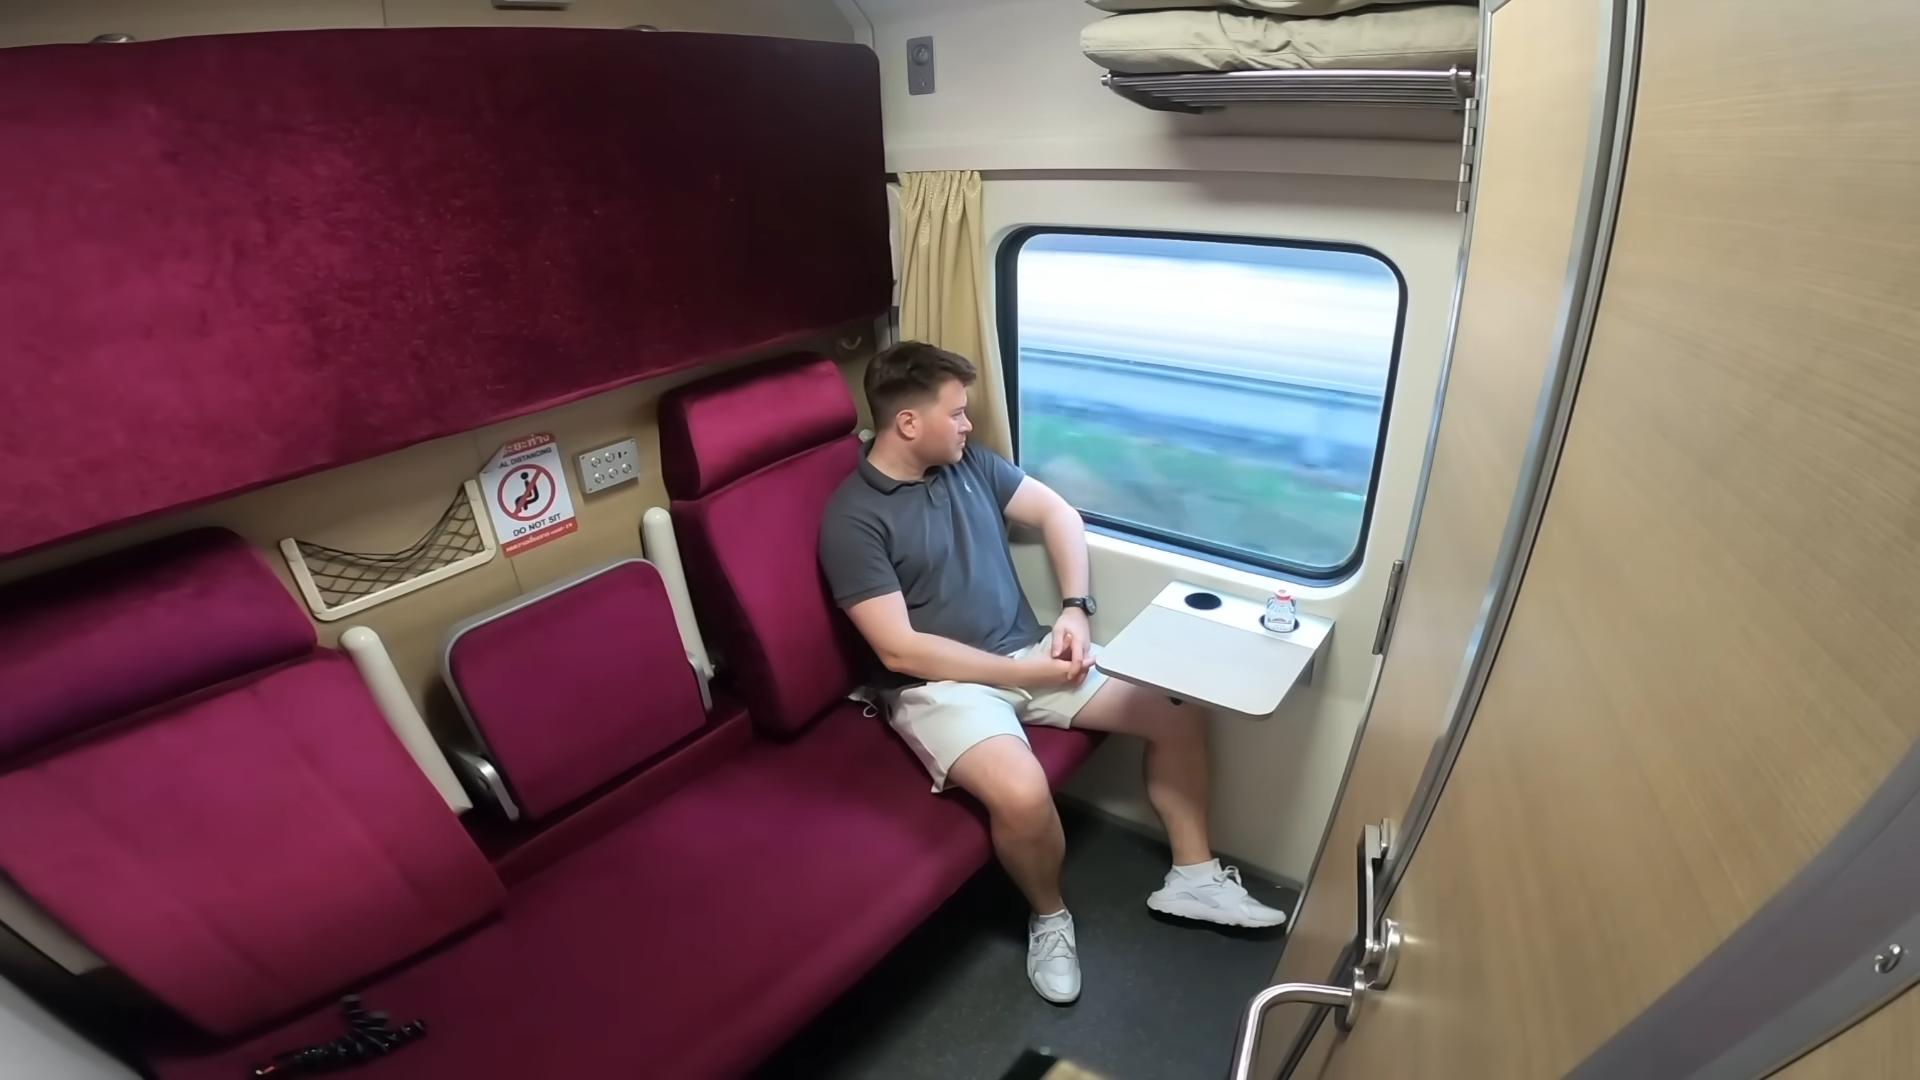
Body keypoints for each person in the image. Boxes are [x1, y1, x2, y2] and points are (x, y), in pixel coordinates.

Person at [818, 341, 1286, 1005]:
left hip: (1023, 652)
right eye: (956, 413)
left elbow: (1057, 513)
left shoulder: (970, 464)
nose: (968, 425)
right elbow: (899, 651)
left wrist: (1074, 610)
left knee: (1177, 707)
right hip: (940, 688)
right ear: (909, 423)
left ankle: (1194, 878)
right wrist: (1029, 676)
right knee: (1022, 791)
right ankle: (1049, 916)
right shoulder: (853, 520)